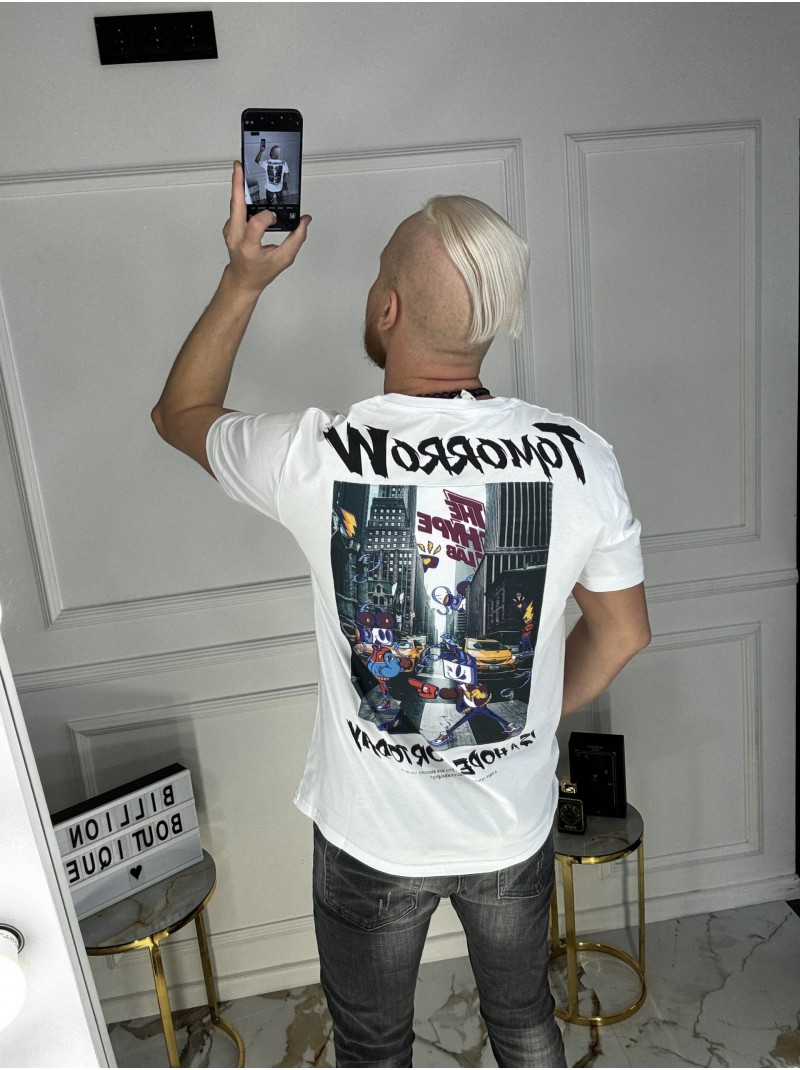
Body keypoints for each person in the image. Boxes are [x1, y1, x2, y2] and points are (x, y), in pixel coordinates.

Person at [152, 162, 651, 1068]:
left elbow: (180, 411)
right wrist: (522, 714)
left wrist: (244, 278)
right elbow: (624, 630)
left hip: (370, 839)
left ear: (387, 309)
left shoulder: (319, 456)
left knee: (373, 1046)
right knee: (526, 1023)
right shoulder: (581, 459)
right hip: (509, 827)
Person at [255, 141, 289, 207]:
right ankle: (280, 209)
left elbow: (257, 160)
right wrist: (285, 184)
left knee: (269, 202)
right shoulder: (284, 163)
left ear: (271, 153)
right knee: (280, 201)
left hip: (269, 188)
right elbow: (287, 175)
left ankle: (271, 209)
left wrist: (261, 151)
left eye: (271, 150)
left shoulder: (266, 163)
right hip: (279, 187)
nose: (270, 151)